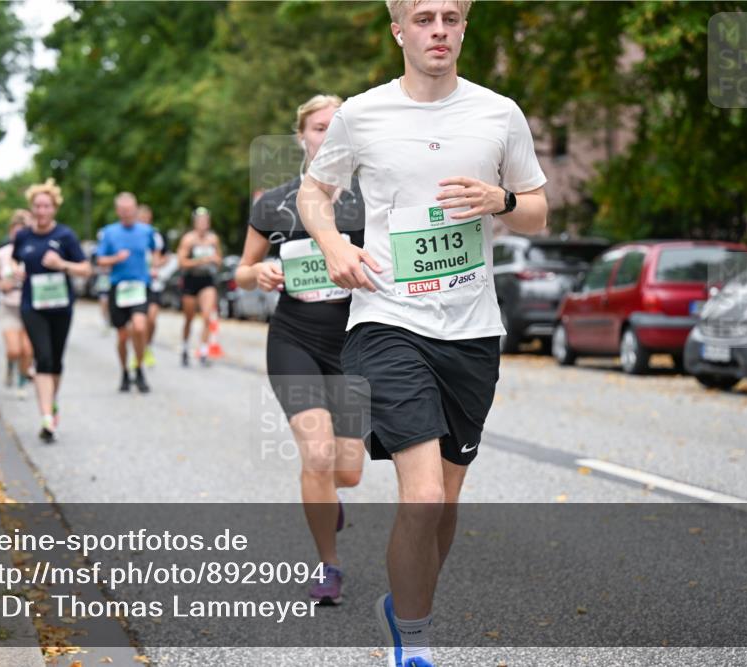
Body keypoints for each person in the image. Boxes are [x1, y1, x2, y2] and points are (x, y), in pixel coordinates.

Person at [298, 2, 548, 665]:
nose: (438, 29)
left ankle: (405, 608)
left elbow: (540, 212)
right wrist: (331, 245)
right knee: (424, 492)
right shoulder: (363, 113)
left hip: (472, 333)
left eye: (450, 17)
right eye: (423, 17)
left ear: (464, 28)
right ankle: (415, 644)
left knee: (444, 503)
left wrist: (506, 202)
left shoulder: (499, 113)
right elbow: (313, 191)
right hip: (387, 320)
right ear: (399, 30)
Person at [236, 94, 367, 606]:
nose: (326, 135)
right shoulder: (274, 204)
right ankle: (329, 565)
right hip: (294, 339)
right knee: (316, 455)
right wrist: (259, 271)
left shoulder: (369, 199)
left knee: (347, 473)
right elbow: (241, 271)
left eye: (336, 127)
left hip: (354, 344)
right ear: (302, 138)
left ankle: (327, 497)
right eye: (318, 127)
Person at [13, 178, 92, 442]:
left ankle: (51, 400)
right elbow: (15, 261)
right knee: (43, 358)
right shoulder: (23, 236)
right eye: (37, 206)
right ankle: (47, 418)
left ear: (54, 208)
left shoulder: (65, 236)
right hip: (32, 305)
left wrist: (62, 264)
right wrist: (15, 272)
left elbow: (85, 268)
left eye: (47, 206)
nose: (42, 211)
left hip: (61, 306)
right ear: (32, 208)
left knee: (56, 360)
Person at [96, 192, 159, 394]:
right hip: (119, 288)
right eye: (123, 211)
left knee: (140, 327)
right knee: (123, 336)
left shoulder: (147, 231)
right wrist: (116, 258)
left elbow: (156, 251)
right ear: (118, 212)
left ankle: (138, 368)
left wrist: (155, 265)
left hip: (141, 285)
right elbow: (100, 260)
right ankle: (124, 371)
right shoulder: (109, 232)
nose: (127, 214)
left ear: (135, 208)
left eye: (130, 210)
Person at [0, 210, 34, 395]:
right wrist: (0, 284)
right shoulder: (1, 254)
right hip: (9, 306)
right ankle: (10, 365)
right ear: (10, 232)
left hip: (30, 305)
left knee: (27, 350)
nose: (19, 235)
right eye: (16, 231)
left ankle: (22, 382)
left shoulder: (32, 251)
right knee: (14, 350)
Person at [177, 206, 222, 366]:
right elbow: (181, 262)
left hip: (207, 280)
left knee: (207, 316)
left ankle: (203, 351)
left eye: (205, 221)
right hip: (191, 280)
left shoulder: (213, 239)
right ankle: (184, 347)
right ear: (195, 223)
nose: (203, 224)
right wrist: (199, 261)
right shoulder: (188, 239)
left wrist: (215, 261)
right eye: (200, 221)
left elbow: (219, 260)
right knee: (189, 318)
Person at [137, 203, 166, 368]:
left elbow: (163, 256)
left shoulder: (156, 236)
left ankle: (148, 346)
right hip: (137, 283)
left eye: (145, 218)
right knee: (139, 322)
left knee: (152, 318)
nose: (143, 221)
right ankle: (139, 350)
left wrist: (156, 267)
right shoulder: (131, 234)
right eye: (140, 218)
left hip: (153, 283)